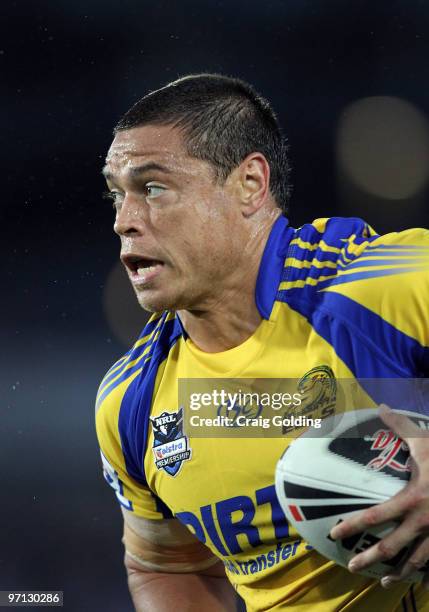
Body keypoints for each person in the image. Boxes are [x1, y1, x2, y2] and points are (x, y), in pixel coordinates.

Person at [96, 73, 429, 611]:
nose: (124, 222)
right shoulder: (132, 404)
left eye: (153, 188)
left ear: (249, 183)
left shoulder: (388, 289)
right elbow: (165, 566)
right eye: (117, 195)